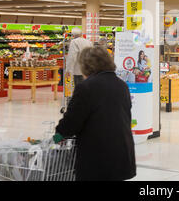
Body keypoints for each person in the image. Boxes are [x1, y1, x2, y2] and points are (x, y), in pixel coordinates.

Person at [54, 46, 136, 181]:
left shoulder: (86, 87)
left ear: (87, 65)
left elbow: (72, 121)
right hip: (122, 153)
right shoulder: (122, 85)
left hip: (98, 157)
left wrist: (57, 136)